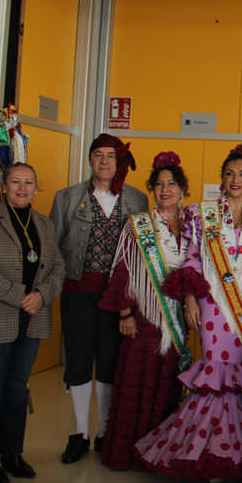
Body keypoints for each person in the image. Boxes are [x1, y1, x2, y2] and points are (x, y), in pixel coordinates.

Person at [134, 144, 242, 481]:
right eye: (229, 173)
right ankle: (205, 449)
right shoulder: (201, 214)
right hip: (212, 304)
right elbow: (192, 258)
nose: (236, 180)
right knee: (215, 372)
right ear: (221, 178)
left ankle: (241, 451)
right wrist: (190, 298)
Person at [0, 163, 66, 483]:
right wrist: (21, 296)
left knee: (17, 389)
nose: (22, 188)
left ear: (36, 187)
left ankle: (11, 453)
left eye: (29, 182)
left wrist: (42, 296)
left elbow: (58, 268)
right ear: (3, 186)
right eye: (16, 182)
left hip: (32, 318)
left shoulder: (45, 224)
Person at [50, 133, 147, 464]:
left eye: (111, 156)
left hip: (118, 297)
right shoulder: (67, 197)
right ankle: (80, 433)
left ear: (120, 161)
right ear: (90, 160)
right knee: (78, 359)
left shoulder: (136, 199)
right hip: (78, 293)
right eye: (98, 155)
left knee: (110, 360)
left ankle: (105, 433)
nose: (104, 162)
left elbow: (143, 252)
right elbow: (53, 248)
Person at [98, 151, 192, 470]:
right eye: (159, 184)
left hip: (177, 320)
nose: (165, 190)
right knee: (136, 386)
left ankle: (157, 455)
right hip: (144, 317)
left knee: (166, 386)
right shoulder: (139, 225)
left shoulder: (193, 226)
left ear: (182, 189)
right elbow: (121, 268)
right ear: (152, 189)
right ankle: (128, 452)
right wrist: (124, 312)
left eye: (171, 184)